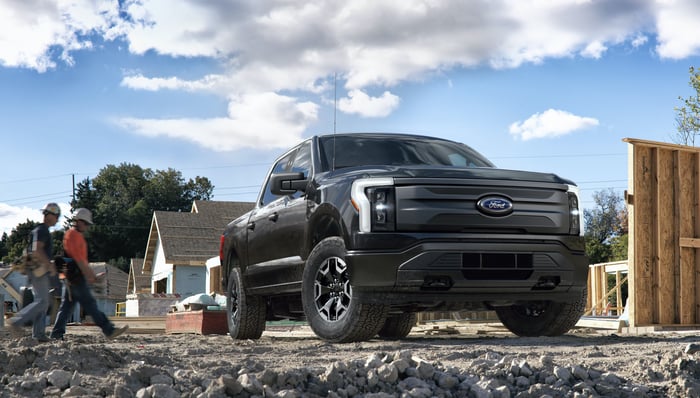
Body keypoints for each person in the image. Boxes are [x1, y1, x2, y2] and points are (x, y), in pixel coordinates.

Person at [49, 208, 128, 340]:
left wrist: (91, 276)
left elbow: (82, 261)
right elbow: (80, 261)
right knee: (90, 305)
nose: (86, 227)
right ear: (79, 221)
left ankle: (56, 335)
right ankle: (109, 330)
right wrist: (93, 277)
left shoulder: (74, 235)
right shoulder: (73, 236)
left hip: (72, 278)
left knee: (66, 308)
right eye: (85, 223)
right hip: (76, 278)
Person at [6, 203, 61, 342]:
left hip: (35, 270)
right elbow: (37, 250)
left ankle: (39, 334)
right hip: (39, 270)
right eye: (57, 216)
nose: (57, 219)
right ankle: (16, 322)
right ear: (50, 215)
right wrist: (50, 265)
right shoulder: (42, 230)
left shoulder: (39, 230)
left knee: (42, 302)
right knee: (42, 302)